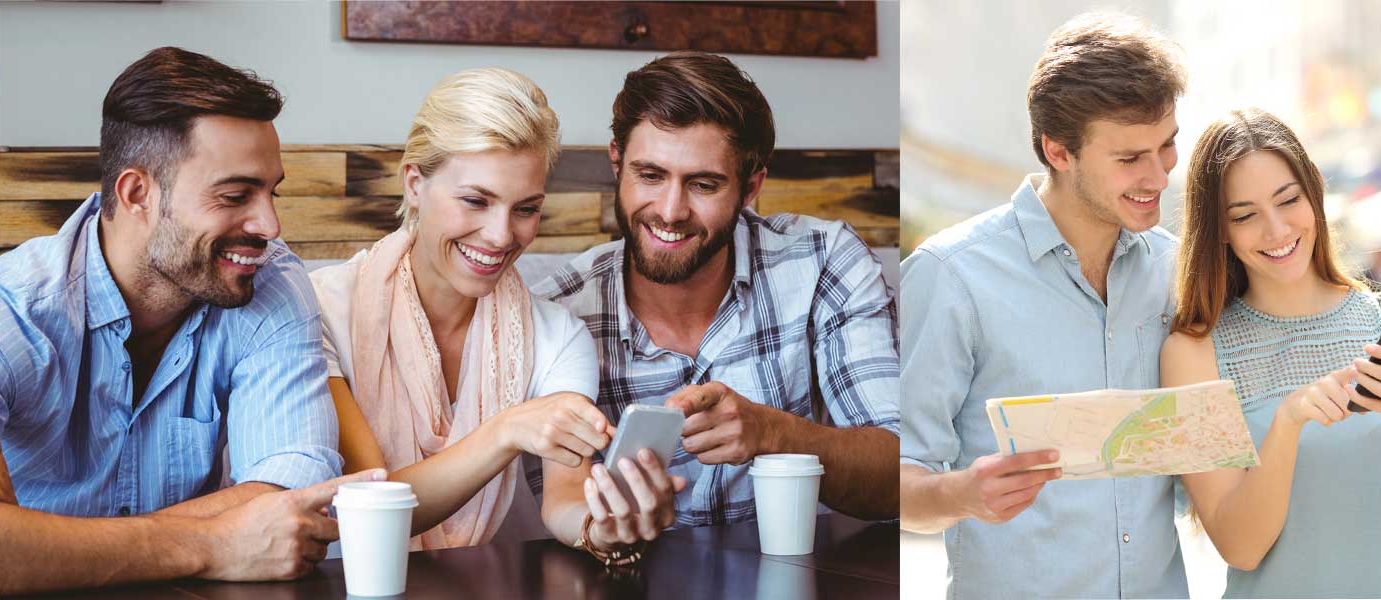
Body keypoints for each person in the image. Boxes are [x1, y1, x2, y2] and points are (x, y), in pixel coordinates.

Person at [0, 47, 372, 595]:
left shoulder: (271, 278)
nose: (270, 224)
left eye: (272, 191)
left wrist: (55, 547)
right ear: (137, 193)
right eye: (236, 195)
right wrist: (212, 544)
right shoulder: (12, 310)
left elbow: (296, 488)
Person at [534, 50, 900, 559]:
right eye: (650, 175)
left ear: (751, 187)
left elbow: (902, 475)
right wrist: (605, 529)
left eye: (703, 184)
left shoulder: (825, 261)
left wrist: (775, 433)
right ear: (616, 163)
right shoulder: (557, 312)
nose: (670, 210)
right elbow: (562, 505)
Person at [313, 67, 682, 552]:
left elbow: (566, 499)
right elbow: (368, 500)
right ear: (414, 184)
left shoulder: (558, 335)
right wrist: (505, 431)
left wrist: (601, 529)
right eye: (475, 200)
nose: (501, 235)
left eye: (525, 209)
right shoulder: (319, 309)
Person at [897, 13, 1190, 597]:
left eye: (1167, 145)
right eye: (1130, 158)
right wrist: (962, 494)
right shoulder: (952, 277)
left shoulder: (1176, 268)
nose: (1158, 176)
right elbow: (893, 481)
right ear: (1059, 151)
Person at [1160, 108, 1381, 597]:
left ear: (1314, 192)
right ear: (1219, 228)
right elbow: (1240, 547)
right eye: (1245, 216)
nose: (1277, 230)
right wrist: (1287, 424)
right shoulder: (1192, 355)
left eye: (1288, 200)